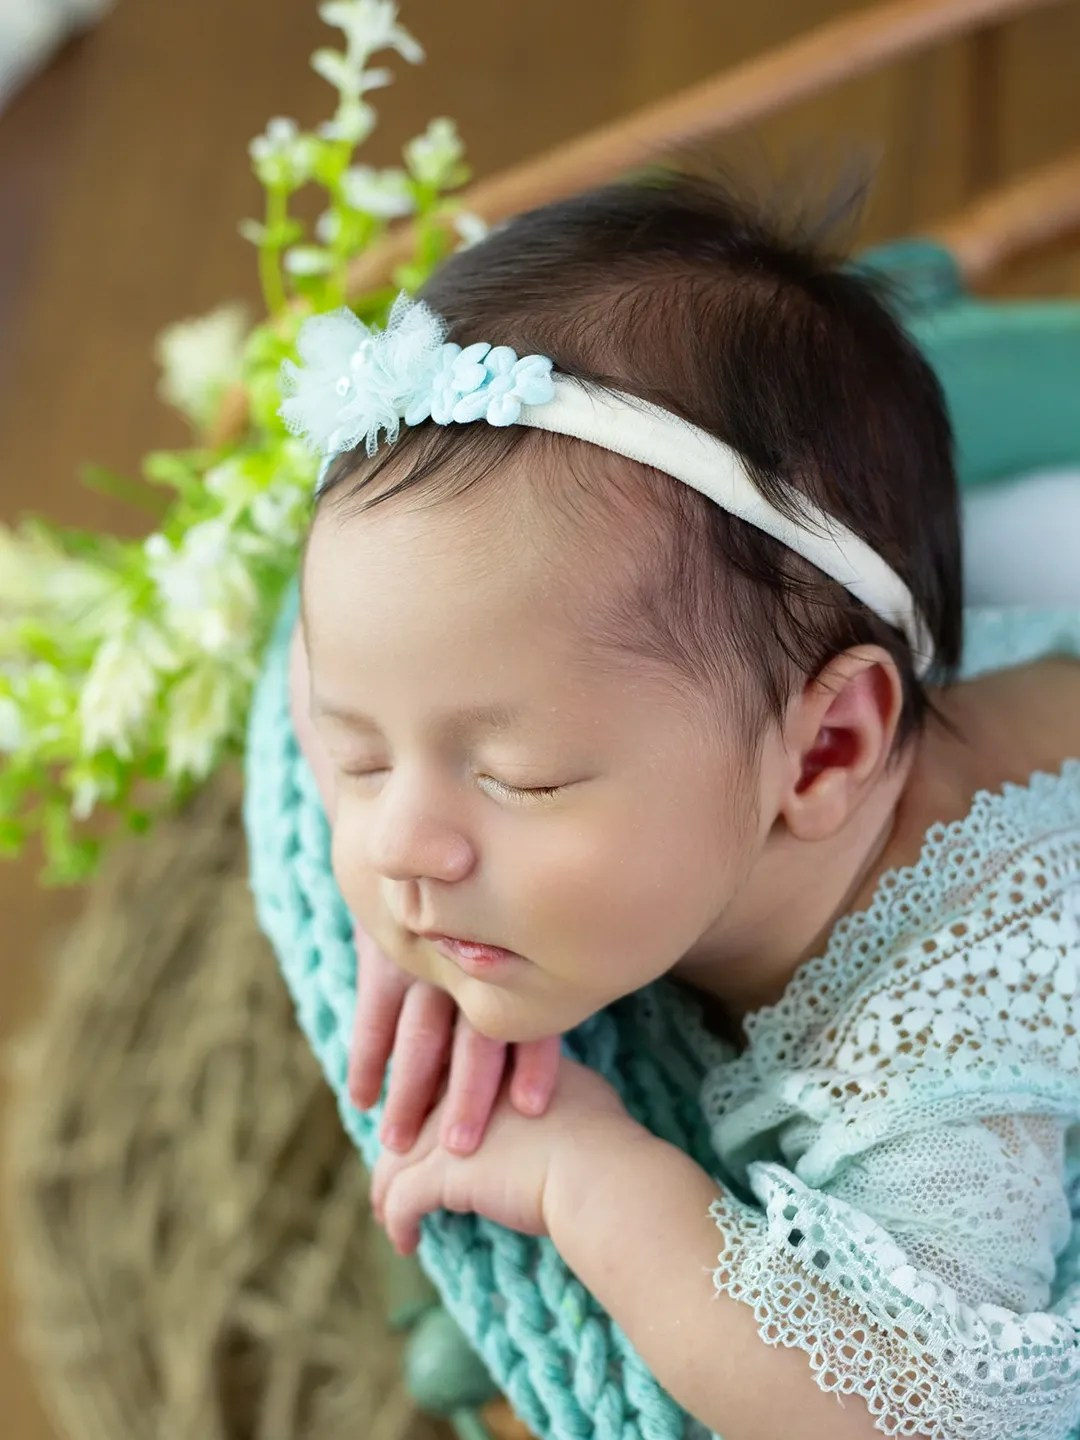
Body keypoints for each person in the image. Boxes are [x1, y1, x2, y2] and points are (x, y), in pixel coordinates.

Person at [283, 172, 1080, 1440]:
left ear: (824, 752)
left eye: (517, 778)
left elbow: (943, 1411)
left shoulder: (938, 1038)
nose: (397, 844)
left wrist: (597, 1184)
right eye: (362, 755)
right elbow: (325, 650)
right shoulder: (579, 699)